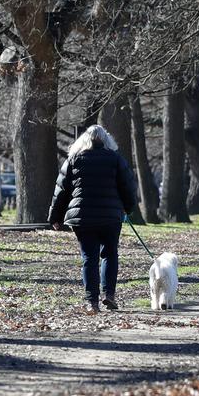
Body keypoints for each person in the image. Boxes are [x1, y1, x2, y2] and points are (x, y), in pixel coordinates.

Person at [48, 124, 139, 314]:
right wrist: (128, 208)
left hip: (83, 218)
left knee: (89, 258)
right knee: (110, 254)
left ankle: (92, 302)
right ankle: (109, 295)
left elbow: (62, 190)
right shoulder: (115, 159)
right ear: (107, 141)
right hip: (110, 217)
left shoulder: (74, 159)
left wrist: (55, 216)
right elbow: (128, 186)